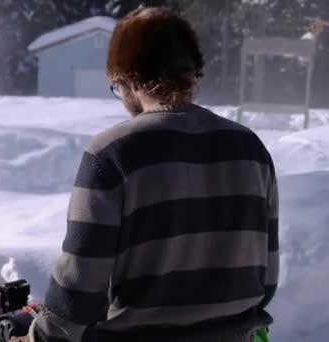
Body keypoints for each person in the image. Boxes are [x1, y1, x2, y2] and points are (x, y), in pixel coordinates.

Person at [23, 6, 279, 342]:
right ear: (191, 75)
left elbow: (79, 291)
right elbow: (267, 281)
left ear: (128, 79)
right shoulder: (251, 149)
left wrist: (35, 337)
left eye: (116, 87)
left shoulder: (112, 153)